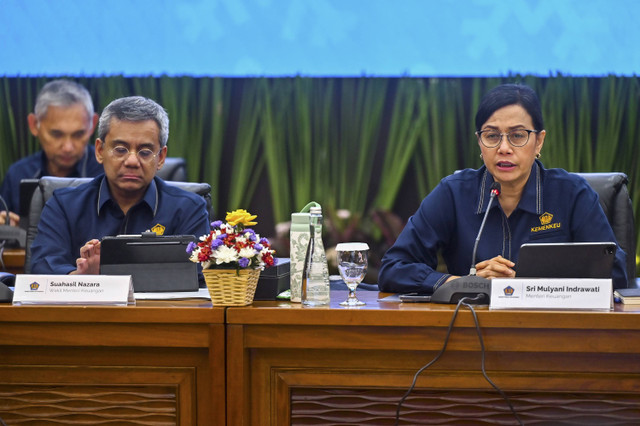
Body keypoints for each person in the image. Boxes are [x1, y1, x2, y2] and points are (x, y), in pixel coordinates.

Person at [378, 83, 628, 292]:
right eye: (492, 135)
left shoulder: (572, 194)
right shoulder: (454, 194)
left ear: (539, 141)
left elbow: (615, 272)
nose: (504, 148)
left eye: (518, 135)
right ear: (480, 142)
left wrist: (528, 286)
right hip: (470, 333)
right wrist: (464, 283)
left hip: (552, 330)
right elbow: (393, 268)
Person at [29, 96, 210, 275]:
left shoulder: (188, 209)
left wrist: (110, 278)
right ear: (100, 151)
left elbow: (198, 277)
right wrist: (81, 279)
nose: (132, 161)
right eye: (120, 150)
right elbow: (42, 268)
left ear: (161, 157)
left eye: (145, 152)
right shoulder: (63, 205)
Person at [0, 79, 102, 227]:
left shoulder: (106, 171)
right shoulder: (18, 174)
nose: (68, 147)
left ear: (92, 124)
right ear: (34, 124)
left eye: (78, 134)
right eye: (56, 134)